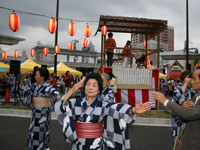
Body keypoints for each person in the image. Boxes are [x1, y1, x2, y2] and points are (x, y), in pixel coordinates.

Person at [55, 73, 152, 149]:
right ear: (84, 87)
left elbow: (116, 108)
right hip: (78, 145)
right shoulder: (74, 102)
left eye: (94, 85)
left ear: (98, 90)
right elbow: (61, 106)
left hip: (96, 145)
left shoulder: (103, 105)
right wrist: (72, 90)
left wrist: (133, 110)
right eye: (88, 84)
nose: (90, 87)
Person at [151, 69, 200, 150]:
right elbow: (186, 115)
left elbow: (191, 114)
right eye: (190, 78)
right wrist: (184, 107)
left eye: (194, 79)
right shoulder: (195, 96)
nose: (191, 81)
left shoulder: (192, 92)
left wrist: (165, 101)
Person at [20, 67, 61, 150]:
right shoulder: (35, 86)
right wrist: (23, 77)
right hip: (34, 116)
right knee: (32, 136)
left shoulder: (48, 87)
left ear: (42, 77)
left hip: (43, 118)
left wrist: (58, 97)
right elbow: (22, 89)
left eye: (37, 75)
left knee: (41, 137)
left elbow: (55, 93)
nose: (35, 76)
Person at [171, 70, 196, 145]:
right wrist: (185, 84)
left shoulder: (190, 90)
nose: (190, 80)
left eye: (191, 78)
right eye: (188, 77)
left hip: (187, 119)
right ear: (183, 78)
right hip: (177, 119)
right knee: (177, 140)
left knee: (186, 141)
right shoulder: (177, 87)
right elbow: (178, 97)